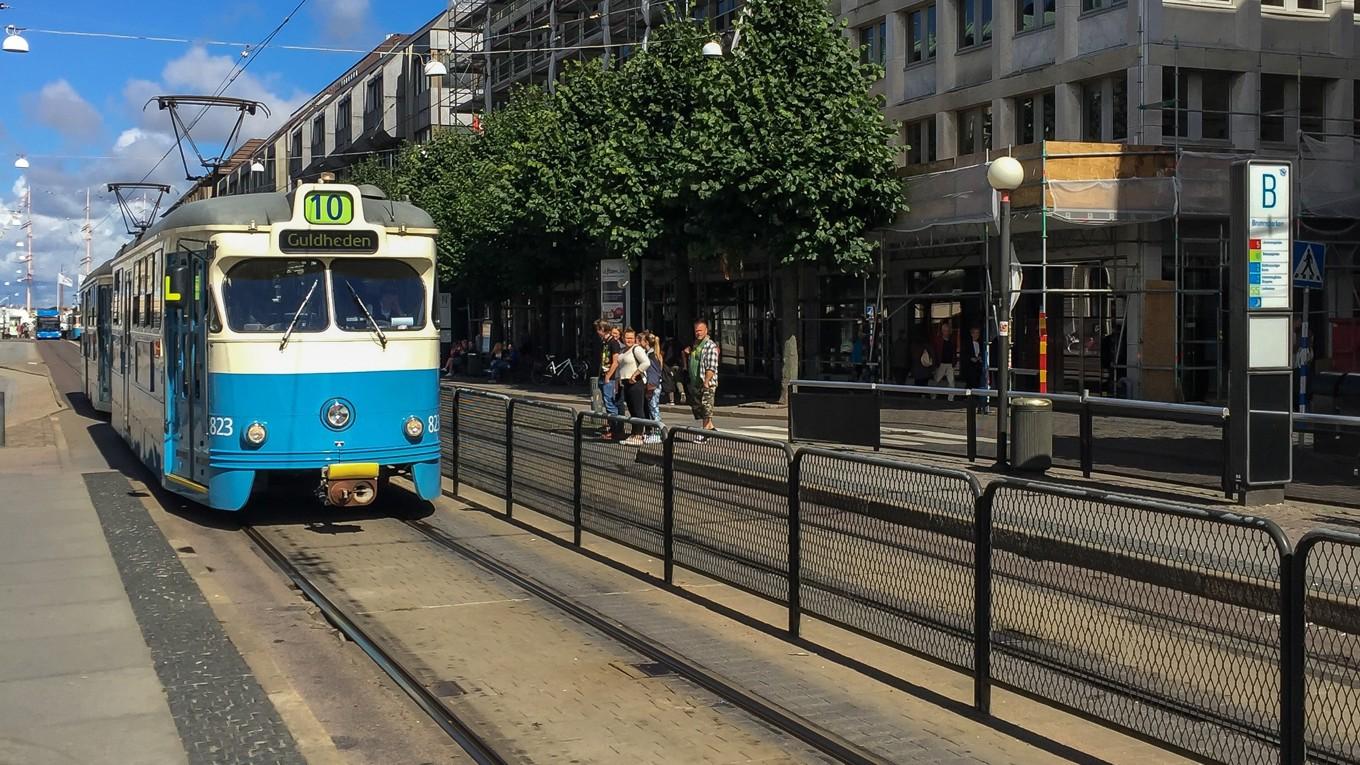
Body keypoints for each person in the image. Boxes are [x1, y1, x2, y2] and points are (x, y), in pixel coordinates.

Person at [685, 319, 719, 435]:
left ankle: (705, 433)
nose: (698, 333)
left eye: (700, 330)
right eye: (696, 331)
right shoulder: (696, 344)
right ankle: (710, 429)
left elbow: (711, 366)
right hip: (696, 382)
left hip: (707, 383)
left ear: (706, 330)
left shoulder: (710, 346)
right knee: (701, 408)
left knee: (706, 408)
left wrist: (706, 381)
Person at [617, 329, 651, 445]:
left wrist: (635, 374)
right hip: (625, 383)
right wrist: (618, 381)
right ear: (623, 338)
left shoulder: (637, 349)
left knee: (638, 409)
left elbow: (646, 363)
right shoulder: (622, 350)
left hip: (636, 382)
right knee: (631, 409)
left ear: (635, 338)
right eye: (627, 338)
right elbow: (620, 367)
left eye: (631, 338)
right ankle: (634, 433)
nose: (629, 340)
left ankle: (639, 435)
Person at [600, 323, 626, 440]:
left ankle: (616, 430)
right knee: (609, 403)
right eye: (613, 333)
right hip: (608, 376)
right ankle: (614, 428)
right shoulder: (605, 343)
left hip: (614, 378)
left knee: (612, 404)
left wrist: (608, 376)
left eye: (616, 333)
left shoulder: (616, 344)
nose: (614, 335)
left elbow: (615, 362)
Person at [642, 331, 665, 444]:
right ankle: (655, 432)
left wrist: (650, 386)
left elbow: (653, 373)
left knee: (654, 409)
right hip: (654, 385)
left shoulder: (651, 356)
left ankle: (658, 433)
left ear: (646, 342)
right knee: (653, 409)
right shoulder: (654, 354)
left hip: (653, 386)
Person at [931, 322, 958, 400]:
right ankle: (933, 395)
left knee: (951, 382)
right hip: (941, 363)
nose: (946, 332)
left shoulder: (952, 340)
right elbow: (935, 351)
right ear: (942, 331)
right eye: (945, 330)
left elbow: (954, 352)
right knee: (936, 380)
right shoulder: (938, 340)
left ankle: (950, 398)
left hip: (950, 364)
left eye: (947, 330)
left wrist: (954, 362)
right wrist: (935, 362)